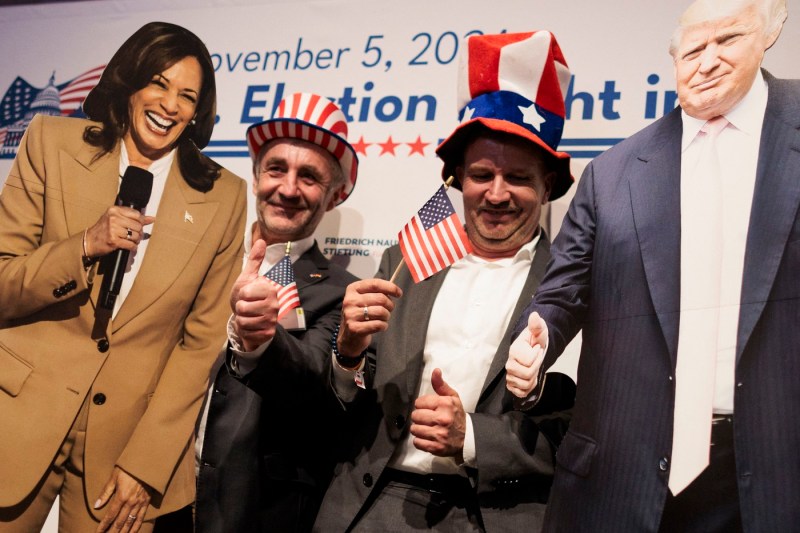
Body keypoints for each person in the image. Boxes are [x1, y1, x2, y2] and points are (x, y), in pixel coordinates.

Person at [505, 1, 799, 531]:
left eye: (728, 40)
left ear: (769, 34)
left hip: (775, 474)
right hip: (621, 479)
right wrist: (539, 339)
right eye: (693, 49)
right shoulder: (611, 172)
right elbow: (562, 290)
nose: (707, 61)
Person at [314, 31, 576, 532]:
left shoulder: (573, 287)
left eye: (518, 178)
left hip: (492, 514)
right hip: (369, 505)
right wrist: (347, 354)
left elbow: (582, 436)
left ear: (547, 187)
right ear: (458, 178)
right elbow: (345, 405)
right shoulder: (406, 259)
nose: (496, 194)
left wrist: (473, 438)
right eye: (481, 175)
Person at [0, 22, 246, 533]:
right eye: (158, 83)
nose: (169, 106)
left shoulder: (224, 196)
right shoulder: (49, 142)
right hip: (18, 418)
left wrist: (148, 461)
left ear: (197, 112)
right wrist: (84, 246)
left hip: (123, 451)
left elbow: (200, 345)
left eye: (187, 97)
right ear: (129, 82)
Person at [194, 92, 360, 532]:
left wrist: (261, 338)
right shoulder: (203, 259)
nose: (288, 189)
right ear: (254, 178)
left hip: (253, 513)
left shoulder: (341, 293)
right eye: (276, 169)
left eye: (309, 176)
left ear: (333, 196)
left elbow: (312, 380)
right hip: (156, 496)